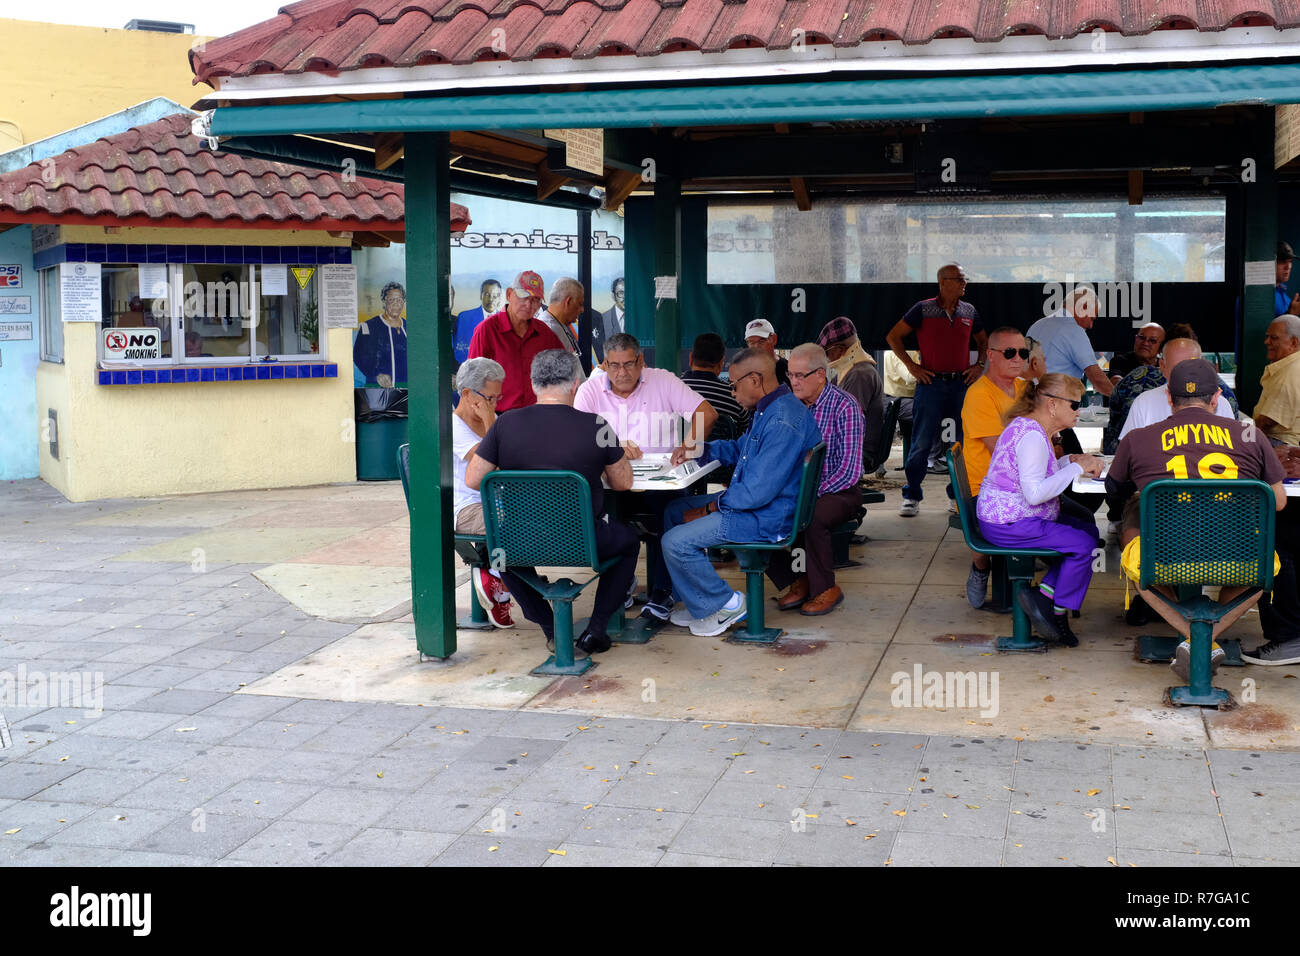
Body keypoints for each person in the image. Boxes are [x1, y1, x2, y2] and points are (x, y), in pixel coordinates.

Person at [1105, 359, 1286, 677]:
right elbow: (1279, 502)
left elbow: (1114, 490)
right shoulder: (1250, 435)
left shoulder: (1139, 438)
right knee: (1266, 565)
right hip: (1238, 559)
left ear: (1169, 399)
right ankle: (1205, 640)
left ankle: (1192, 638)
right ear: (1216, 397)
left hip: (1162, 557)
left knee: (1132, 549)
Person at [466, 349, 639, 655]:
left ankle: (549, 626)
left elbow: (473, 479)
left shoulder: (505, 425)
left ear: (533, 385)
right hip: (584, 541)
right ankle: (597, 628)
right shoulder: (596, 425)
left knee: (499, 551)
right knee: (629, 541)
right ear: (575, 384)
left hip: (521, 541)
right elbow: (623, 483)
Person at [659, 349, 822, 636]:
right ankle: (698, 603)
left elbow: (755, 494)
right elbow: (740, 449)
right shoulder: (770, 408)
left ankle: (726, 604)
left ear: (755, 380)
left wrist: (710, 508)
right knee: (674, 511)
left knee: (675, 542)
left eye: (734, 385)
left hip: (767, 517)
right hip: (756, 507)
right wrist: (700, 450)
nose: (731, 392)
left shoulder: (783, 420)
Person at [575, 332, 717, 621]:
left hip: (660, 482)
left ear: (641, 360)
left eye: (628, 364)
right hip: (609, 483)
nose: (622, 372)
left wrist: (688, 446)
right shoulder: (590, 391)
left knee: (672, 514)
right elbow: (576, 438)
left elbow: (706, 412)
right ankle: (620, 582)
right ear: (604, 364)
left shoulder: (662, 380)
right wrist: (612, 448)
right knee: (595, 514)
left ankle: (662, 592)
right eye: (614, 365)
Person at [977, 374, 1105, 646]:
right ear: (1052, 404)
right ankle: (1055, 610)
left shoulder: (1031, 428)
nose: (1078, 411)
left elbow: (1035, 475)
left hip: (1011, 517)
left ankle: (1045, 595)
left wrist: (1069, 460)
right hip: (1010, 523)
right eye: (1074, 404)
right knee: (1084, 545)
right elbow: (1035, 494)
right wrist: (1076, 468)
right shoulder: (1032, 437)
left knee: (1087, 530)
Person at [764, 344, 863, 616]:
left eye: (800, 376)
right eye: (791, 376)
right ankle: (796, 580)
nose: (793, 382)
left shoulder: (845, 406)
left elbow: (849, 470)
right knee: (756, 510)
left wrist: (807, 494)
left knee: (812, 515)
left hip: (839, 490)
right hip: (799, 488)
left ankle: (825, 588)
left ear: (821, 374)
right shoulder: (790, 407)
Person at [886, 262, 988, 516]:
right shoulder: (923, 309)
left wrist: (980, 365)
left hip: (961, 385)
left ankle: (957, 497)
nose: (965, 283)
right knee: (921, 441)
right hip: (930, 384)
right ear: (942, 283)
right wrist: (912, 367)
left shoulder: (969, 310)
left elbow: (983, 339)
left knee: (961, 444)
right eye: (959, 279)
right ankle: (912, 495)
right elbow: (893, 336)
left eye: (965, 279)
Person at [959, 326, 1032, 608]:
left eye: (1023, 353)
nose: (1017, 359)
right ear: (990, 355)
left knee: (1079, 516)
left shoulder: (1026, 389)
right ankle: (981, 566)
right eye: (1010, 352)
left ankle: (1043, 590)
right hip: (985, 492)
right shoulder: (979, 395)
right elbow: (1003, 453)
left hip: (1024, 483)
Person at [451, 357, 515, 628]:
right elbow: (494, 464)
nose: (495, 405)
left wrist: (492, 419)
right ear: (467, 394)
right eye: (490, 399)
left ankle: (496, 572)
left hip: (498, 504)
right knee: (514, 522)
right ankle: (492, 570)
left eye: (498, 399)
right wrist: (492, 421)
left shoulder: (493, 420)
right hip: (466, 508)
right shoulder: (453, 428)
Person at [466, 270, 563, 412]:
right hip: (499, 417)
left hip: (539, 416)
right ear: (509, 294)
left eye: (535, 300)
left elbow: (563, 370)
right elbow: (473, 382)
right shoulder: (487, 330)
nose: (529, 305)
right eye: (524, 297)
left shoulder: (544, 332)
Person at [817, 317, 883, 472]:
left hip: (858, 451)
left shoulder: (859, 374)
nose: (826, 357)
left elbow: (847, 424)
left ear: (839, 349)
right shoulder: (848, 372)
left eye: (827, 352)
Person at [681, 332, 749, 439]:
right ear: (721, 362)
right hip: (722, 455)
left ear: (690, 358)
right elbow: (746, 434)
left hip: (678, 454)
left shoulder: (672, 391)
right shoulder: (737, 398)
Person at [1254, 315, 1300, 446]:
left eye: (1273, 338)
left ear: (1293, 342)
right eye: (1267, 336)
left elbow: (1266, 422)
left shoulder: (1290, 373)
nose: (1266, 342)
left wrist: (1244, 438)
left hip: (1281, 444)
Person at [354, 281, 408, 387]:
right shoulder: (369, 326)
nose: (396, 303)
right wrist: (375, 375)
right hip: (378, 388)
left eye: (399, 300)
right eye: (391, 300)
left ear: (403, 302)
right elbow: (358, 357)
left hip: (407, 389)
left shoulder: (408, 327)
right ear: (384, 302)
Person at [454, 279, 503, 364]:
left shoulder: (507, 320)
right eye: (487, 294)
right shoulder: (465, 318)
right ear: (481, 296)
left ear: (499, 298)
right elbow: (460, 351)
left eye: (495, 296)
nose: (491, 299)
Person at [539, 277, 584, 358]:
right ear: (568, 302)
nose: (582, 310)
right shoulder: (547, 330)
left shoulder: (558, 323)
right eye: (580, 304)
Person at [745, 319, 789, 386]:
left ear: (774, 339)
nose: (756, 346)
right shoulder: (743, 373)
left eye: (762, 341)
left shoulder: (790, 369)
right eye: (751, 342)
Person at [593, 277, 625, 363]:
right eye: (621, 293)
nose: (625, 297)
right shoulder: (602, 319)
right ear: (613, 296)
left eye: (628, 293)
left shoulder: (640, 320)